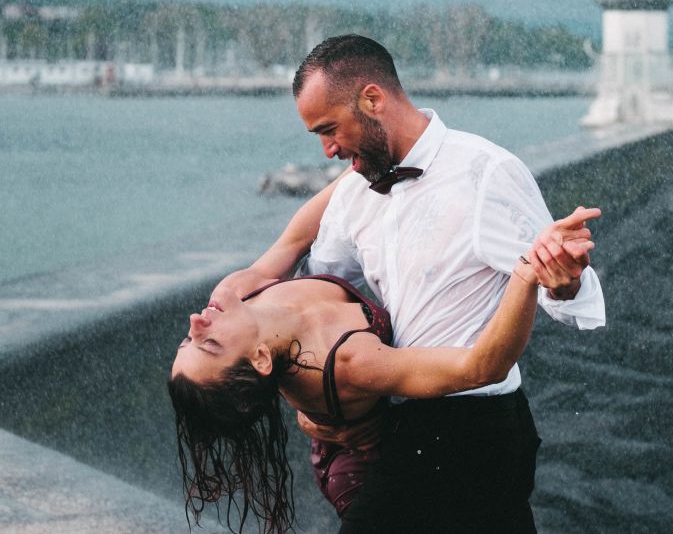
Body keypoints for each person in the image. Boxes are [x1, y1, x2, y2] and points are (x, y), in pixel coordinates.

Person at [225, 33, 605, 531]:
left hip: (475, 423)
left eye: (329, 128)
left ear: (373, 100)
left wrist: (563, 280)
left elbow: (567, 294)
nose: (327, 149)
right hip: (395, 422)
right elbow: (320, 294)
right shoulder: (352, 196)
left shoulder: (485, 172)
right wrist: (315, 401)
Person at [169, 206, 598, 534]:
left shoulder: (234, 293)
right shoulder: (351, 363)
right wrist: (525, 273)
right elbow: (480, 366)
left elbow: (301, 231)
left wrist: (380, 145)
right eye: (209, 343)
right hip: (361, 466)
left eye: (189, 340)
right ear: (261, 359)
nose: (195, 322)